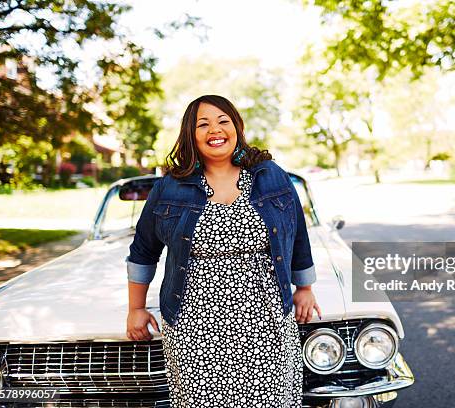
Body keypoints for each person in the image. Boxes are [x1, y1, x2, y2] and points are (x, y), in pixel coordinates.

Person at [125, 94, 321, 407]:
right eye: (203, 124)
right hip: (194, 330)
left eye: (222, 121)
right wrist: (136, 308)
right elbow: (143, 251)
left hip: (267, 323)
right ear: (191, 135)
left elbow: (296, 235)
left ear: (237, 127)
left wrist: (305, 288)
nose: (214, 130)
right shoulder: (170, 187)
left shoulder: (270, 176)